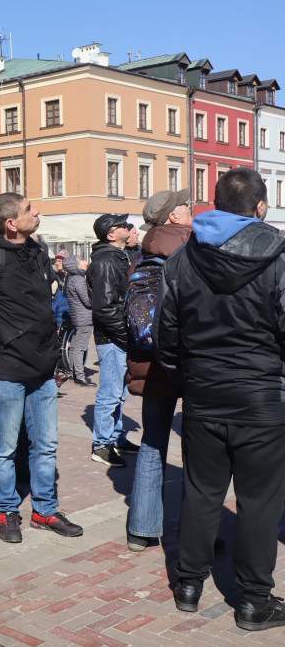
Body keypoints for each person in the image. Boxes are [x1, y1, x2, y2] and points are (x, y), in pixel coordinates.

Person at [156, 168, 285, 630]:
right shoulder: (278, 256)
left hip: (205, 395)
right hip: (261, 397)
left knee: (202, 492)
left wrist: (188, 376)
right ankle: (254, 600)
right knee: (259, 501)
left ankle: (188, 584)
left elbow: (165, 334)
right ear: (260, 207)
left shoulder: (182, 258)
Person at [0, 193, 83, 543]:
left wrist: (53, 354)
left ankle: (45, 510)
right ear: (11, 224)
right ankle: (7, 509)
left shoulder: (37, 253)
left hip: (42, 370)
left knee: (46, 445)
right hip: (4, 370)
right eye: (28, 210)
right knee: (5, 447)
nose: (36, 212)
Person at [124, 188, 193, 553]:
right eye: (185, 205)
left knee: (152, 444)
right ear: (173, 218)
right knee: (197, 455)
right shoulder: (190, 252)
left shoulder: (140, 255)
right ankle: (198, 533)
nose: (190, 208)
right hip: (187, 364)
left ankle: (142, 528)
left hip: (149, 364)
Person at [87, 213, 140, 468]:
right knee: (109, 392)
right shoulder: (107, 260)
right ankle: (101, 444)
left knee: (119, 393)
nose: (128, 227)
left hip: (118, 334)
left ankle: (116, 437)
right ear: (111, 234)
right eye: (122, 226)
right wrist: (124, 335)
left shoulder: (119, 256)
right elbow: (105, 307)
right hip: (111, 337)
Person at [63, 256, 94, 386]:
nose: (85, 262)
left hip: (77, 317)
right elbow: (88, 301)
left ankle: (72, 373)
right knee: (80, 348)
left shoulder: (70, 278)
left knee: (74, 346)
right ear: (75, 264)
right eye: (81, 260)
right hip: (84, 318)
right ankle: (80, 376)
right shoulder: (79, 280)